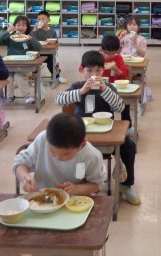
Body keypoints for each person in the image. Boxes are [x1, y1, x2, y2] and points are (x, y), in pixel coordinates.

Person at [55, 51, 140, 205]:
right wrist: (81, 92)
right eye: (89, 70)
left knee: (129, 146)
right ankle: (80, 184)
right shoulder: (78, 86)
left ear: (103, 70)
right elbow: (59, 100)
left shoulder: (108, 87)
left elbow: (120, 107)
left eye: (98, 71)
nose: (94, 75)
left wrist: (105, 90)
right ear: (82, 70)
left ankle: (126, 185)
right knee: (67, 147)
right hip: (82, 136)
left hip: (107, 134)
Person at [13, 113, 106, 196]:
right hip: (41, 195)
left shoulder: (92, 156)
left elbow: (97, 184)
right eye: (52, 151)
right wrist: (25, 177)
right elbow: (20, 162)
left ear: (81, 144)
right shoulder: (43, 139)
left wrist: (78, 189)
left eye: (66, 154)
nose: (58, 157)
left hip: (74, 200)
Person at [0, 15, 42, 105]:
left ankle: (27, 96)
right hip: (11, 64)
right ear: (14, 26)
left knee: (18, 76)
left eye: (23, 25)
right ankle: (10, 96)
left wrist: (31, 39)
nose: (21, 27)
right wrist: (7, 31)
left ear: (27, 27)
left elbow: (39, 48)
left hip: (25, 65)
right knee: (8, 77)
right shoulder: (11, 36)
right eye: (18, 25)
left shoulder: (29, 36)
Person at [118, 15, 153, 110]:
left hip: (136, 66)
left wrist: (135, 42)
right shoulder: (124, 37)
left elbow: (143, 53)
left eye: (134, 24)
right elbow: (115, 49)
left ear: (138, 26)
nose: (132, 27)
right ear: (126, 27)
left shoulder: (142, 39)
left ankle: (127, 95)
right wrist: (120, 38)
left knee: (127, 72)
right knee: (120, 71)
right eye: (129, 25)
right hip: (123, 64)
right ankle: (123, 94)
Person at [31, 10, 64, 83]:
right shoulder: (36, 30)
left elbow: (55, 41)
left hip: (49, 53)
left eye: (43, 19)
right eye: (39, 19)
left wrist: (56, 43)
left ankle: (57, 76)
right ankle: (35, 77)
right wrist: (34, 30)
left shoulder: (52, 31)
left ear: (48, 20)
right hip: (38, 53)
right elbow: (30, 39)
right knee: (34, 62)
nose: (41, 21)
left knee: (51, 64)